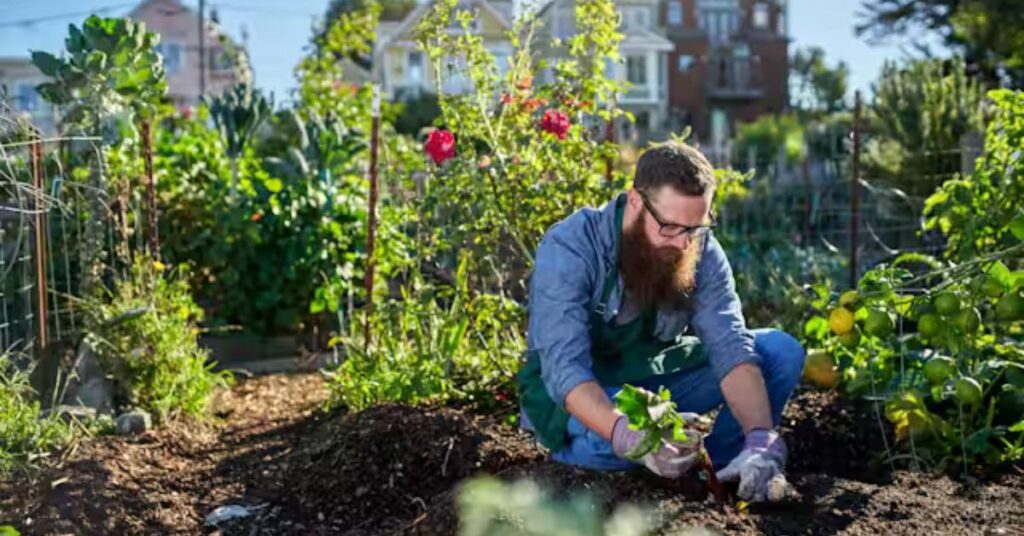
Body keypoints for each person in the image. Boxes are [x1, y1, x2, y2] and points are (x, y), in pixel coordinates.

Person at [516, 140, 805, 502]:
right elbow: (564, 369)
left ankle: (728, 467)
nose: (684, 244)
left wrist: (761, 438)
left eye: (695, 228)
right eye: (670, 227)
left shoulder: (699, 249)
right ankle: (577, 459)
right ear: (636, 201)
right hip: (582, 393)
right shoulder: (572, 247)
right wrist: (627, 434)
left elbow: (730, 344)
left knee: (779, 351)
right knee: (620, 446)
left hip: (651, 380)